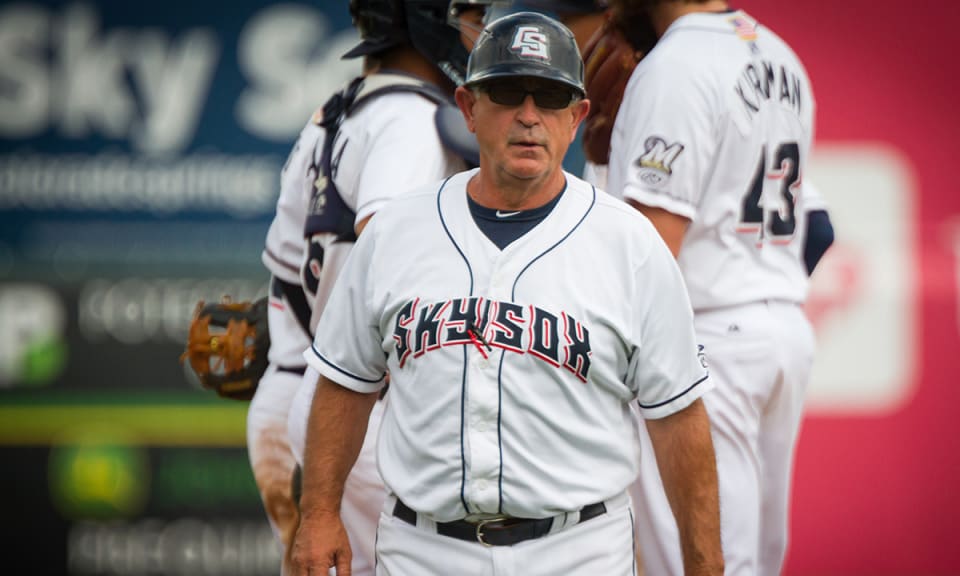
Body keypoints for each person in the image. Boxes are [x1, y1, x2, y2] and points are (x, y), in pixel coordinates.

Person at [291, 11, 723, 576]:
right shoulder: (397, 231)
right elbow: (344, 382)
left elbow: (679, 421)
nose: (528, 116)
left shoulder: (629, 244)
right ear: (468, 108)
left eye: (549, 97)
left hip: (579, 549)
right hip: (424, 549)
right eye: (507, 93)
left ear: (577, 116)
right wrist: (319, 512)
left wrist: (705, 565)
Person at [603, 1, 835, 575]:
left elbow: (651, 247)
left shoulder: (676, 63)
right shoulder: (783, 55)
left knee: (706, 561)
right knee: (750, 559)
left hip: (707, 340)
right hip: (781, 331)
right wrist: (757, 287)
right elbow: (819, 230)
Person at [252, 0, 479, 574]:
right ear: (427, 19)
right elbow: (388, 265)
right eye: (470, 11)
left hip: (295, 393)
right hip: (360, 418)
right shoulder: (409, 120)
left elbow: (285, 272)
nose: (481, 28)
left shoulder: (336, 109)